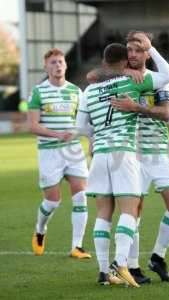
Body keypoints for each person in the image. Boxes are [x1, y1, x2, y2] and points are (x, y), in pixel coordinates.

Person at [77, 39, 169, 286]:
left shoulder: (88, 91)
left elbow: (80, 127)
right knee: (130, 210)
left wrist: (95, 137)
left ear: (103, 62)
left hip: (98, 155)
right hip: (124, 154)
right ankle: (121, 264)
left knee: (103, 213)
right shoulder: (130, 81)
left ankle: (103, 273)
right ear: (124, 63)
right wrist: (150, 48)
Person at [108, 30, 169, 283]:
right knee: (135, 211)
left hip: (161, 152)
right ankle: (132, 266)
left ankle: (158, 258)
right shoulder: (118, 79)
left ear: (147, 52)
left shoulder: (159, 79)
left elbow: (166, 114)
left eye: (138, 49)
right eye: (129, 49)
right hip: (133, 154)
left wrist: (137, 107)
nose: (132, 54)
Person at [28, 48, 91, 259]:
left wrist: (90, 141)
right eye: (53, 62)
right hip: (49, 153)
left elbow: (84, 122)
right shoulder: (38, 92)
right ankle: (40, 229)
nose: (58, 66)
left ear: (66, 65)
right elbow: (33, 126)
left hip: (73, 150)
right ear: (46, 67)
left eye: (60, 62)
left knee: (81, 195)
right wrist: (58, 134)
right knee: (53, 201)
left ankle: (77, 246)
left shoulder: (76, 91)